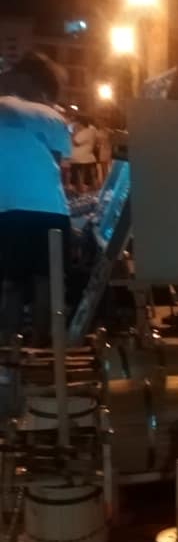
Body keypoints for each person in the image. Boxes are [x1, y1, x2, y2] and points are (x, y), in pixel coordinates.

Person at [0, 51, 72, 345]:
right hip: (50, 211)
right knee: (47, 281)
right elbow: (57, 168)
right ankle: (42, 343)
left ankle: (9, 342)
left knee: (11, 282)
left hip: (7, 209)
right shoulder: (53, 117)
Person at [70, 114, 98, 192]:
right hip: (84, 159)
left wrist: (73, 133)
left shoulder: (86, 132)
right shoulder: (90, 131)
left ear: (80, 123)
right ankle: (90, 193)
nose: (74, 124)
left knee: (81, 180)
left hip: (81, 160)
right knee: (88, 179)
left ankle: (82, 194)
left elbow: (76, 142)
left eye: (76, 122)